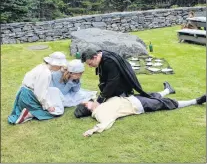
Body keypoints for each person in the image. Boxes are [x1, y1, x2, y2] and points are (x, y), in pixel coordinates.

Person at [74, 82, 206, 137]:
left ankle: (168, 89)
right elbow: (105, 123)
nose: (91, 101)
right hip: (138, 105)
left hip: (132, 99)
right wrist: (92, 130)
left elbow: (96, 96)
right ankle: (196, 101)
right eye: (88, 102)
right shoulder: (100, 113)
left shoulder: (99, 105)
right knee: (166, 103)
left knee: (151, 95)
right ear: (87, 107)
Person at [8, 52, 67, 124]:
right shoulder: (45, 73)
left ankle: (28, 112)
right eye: (60, 66)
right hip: (28, 98)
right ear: (55, 64)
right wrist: (48, 106)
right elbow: (40, 93)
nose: (60, 68)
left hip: (23, 94)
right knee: (55, 112)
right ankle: (29, 114)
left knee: (54, 91)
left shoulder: (41, 66)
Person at [81, 48, 151, 104]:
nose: (90, 66)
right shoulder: (100, 55)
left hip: (122, 85)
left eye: (90, 64)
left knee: (119, 103)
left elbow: (112, 81)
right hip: (115, 84)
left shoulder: (109, 61)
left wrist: (102, 97)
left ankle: (125, 94)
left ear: (95, 57)